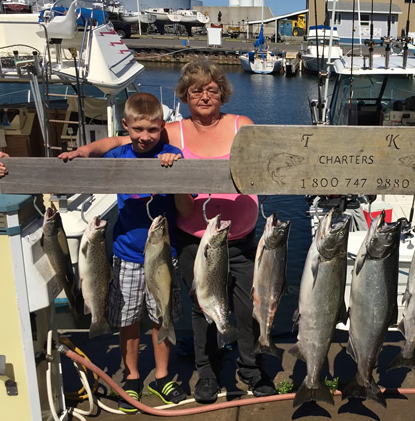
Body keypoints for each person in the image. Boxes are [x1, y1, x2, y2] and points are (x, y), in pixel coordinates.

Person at [53, 58, 277, 402]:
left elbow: (273, 158)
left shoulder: (241, 125)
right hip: (194, 240)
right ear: (184, 96)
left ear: (224, 93)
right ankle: (207, 372)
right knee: (201, 306)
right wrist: (85, 151)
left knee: (247, 309)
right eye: (195, 90)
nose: (204, 96)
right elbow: (120, 142)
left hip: (241, 238)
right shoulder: (172, 131)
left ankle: (251, 369)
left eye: (212, 89)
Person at [0, 93, 194, 412]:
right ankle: (132, 376)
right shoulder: (121, 153)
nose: (145, 136)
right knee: (128, 320)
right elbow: (105, 145)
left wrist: (177, 176)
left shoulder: (173, 154)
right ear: (126, 126)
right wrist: (82, 151)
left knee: (161, 316)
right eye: (138, 129)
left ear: (162, 128)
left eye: (152, 130)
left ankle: (163, 376)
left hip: (164, 255)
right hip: (126, 254)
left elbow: (185, 208)